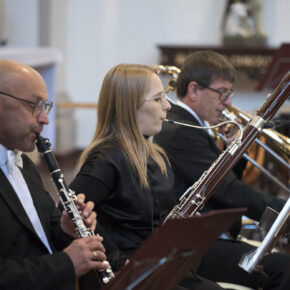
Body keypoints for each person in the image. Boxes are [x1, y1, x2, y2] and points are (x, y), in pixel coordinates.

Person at [70, 63, 225, 289]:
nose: (167, 105)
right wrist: (118, 261)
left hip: (158, 263)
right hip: (128, 274)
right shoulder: (106, 158)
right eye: (157, 99)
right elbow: (70, 216)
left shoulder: (154, 154)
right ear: (130, 106)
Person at [154, 50, 290, 289]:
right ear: (194, 90)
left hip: (216, 236)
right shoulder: (182, 131)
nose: (228, 102)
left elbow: (224, 186)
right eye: (222, 93)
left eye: (230, 93)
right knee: (284, 267)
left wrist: (233, 153)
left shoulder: (197, 126)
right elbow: (228, 191)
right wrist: (284, 214)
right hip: (199, 249)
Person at [0, 60, 111, 290]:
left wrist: (67, 229)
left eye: (45, 107)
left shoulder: (24, 166)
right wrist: (66, 263)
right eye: (33, 106)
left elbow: (45, 236)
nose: (44, 119)